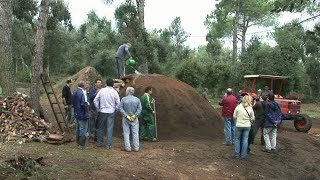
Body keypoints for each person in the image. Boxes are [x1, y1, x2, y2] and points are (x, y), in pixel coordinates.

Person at [94, 79, 120, 149]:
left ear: (106, 83)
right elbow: (118, 102)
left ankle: (100, 142)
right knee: (110, 128)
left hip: (102, 111)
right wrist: (116, 109)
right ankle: (109, 144)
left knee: (101, 127)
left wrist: (98, 108)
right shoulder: (114, 92)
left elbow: (95, 100)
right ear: (113, 84)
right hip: (111, 111)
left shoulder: (102, 90)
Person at [119, 87, 142, 152]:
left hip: (126, 118)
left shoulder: (123, 99)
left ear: (128, 92)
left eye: (126, 91)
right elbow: (139, 109)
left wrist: (126, 116)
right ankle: (136, 148)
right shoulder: (137, 99)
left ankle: (128, 148)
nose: (125, 92)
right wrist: (135, 115)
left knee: (126, 133)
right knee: (135, 133)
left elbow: (120, 108)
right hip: (134, 118)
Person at [233, 95, 255, 159]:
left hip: (239, 125)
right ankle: (243, 155)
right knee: (245, 140)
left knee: (237, 139)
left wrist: (237, 121)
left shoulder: (238, 107)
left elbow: (234, 116)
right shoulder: (250, 108)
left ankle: (237, 154)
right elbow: (253, 118)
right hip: (247, 126)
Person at [72, 80, 90, 150]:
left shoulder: (75, 91)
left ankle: (78, 142)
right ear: (83, 85)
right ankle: (81, 144)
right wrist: (87, 111)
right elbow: (84, 103)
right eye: (85, 84)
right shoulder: (83, 92)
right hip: (83, 113)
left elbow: (73, 102)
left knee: (78, 128)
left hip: (76, 112)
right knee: (83, 129)